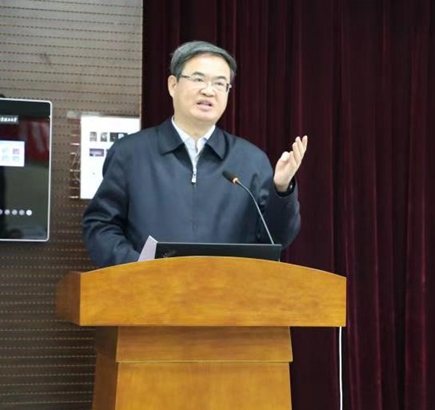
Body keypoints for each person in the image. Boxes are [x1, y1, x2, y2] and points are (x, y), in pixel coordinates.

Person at [83, 41, 308, 268]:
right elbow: (101, 226)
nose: (208, 91)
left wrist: (282, 189)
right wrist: (139, 269)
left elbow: (275, 240)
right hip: (148, 287)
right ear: (173, 85)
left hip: (228, 288)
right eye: (198, 79)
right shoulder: (130, 153)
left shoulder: (251, 161)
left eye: (220, 83)